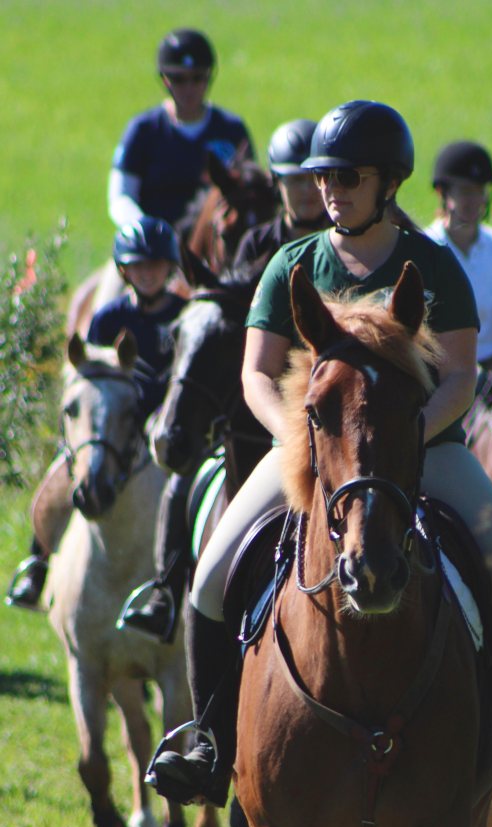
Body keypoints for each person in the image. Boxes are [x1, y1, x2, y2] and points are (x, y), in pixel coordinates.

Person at [147, 99, 492, 810]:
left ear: (388, 182)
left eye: (348, 176)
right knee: (210, 578)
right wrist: (297, 435)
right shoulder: (291, 265)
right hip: (310, 457)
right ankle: (209, 740)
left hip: (428, 450)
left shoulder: (432, 265)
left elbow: (462, 374)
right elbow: (255, 372)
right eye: (325, 175)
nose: (330, 188)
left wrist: (409, 432)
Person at [120, 118, 330, 643]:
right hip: (260, 402)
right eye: (293, 181)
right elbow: (244, 323)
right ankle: (167, 591)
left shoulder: (345, 245)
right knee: (186, 476)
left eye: (312, 180)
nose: (304, 191)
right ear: (278, 184)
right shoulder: (260, 241)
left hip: (333, 401)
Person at [6, 218, 186, 610]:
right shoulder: (108, 318)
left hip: (171, 427)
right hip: (112, 426)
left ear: (170, 267)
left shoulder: (185, 316)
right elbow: (90, 382)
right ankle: (37, 563)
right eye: (138, 266)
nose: (148, 273)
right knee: (61, 473)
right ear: (124, 271)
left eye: (155, 265)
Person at [92, 28, 254, 310]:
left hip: (215, 250)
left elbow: (250, 190)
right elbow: (120, 197)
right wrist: (147, 233)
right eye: (178, 79)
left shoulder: (230, 129)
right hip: (148, 252)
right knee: (105, 306)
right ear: (164, 80)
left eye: (197, 78)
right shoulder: (143, 131)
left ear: (209, 78)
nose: (189, 88)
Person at [425, 140, 492, 400]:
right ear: (443, 192)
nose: (474, 200)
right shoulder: (424, 248)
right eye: (465, 191)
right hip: (441, 377)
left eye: (480, 190)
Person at [232, 118, 331, 272]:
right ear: (276, 182)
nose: (308, 189)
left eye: (316, 177)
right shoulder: (257, 245)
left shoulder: (348, 241)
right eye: (297, 179)